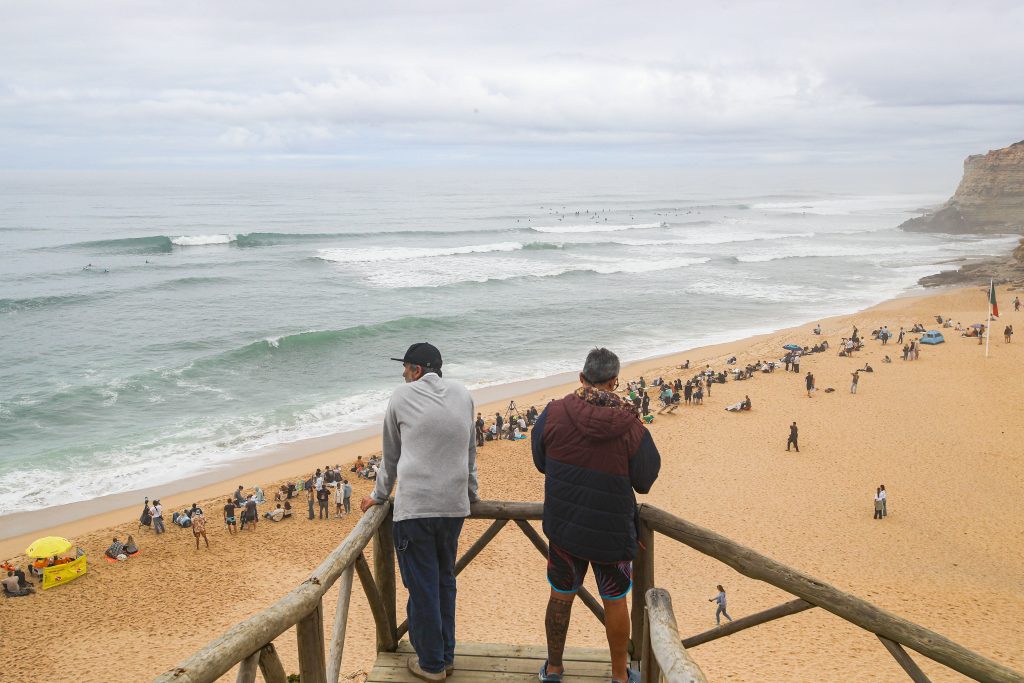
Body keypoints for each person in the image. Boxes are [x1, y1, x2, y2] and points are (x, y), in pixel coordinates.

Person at [532, 348, 660, 683]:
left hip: (565, 527)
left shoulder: (554, 412)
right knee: (615, 600)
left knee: (560, 596)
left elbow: (540, 460)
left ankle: (555, 669)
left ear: (581, 377)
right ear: (614, 382)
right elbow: (645, 480)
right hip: (612, 531)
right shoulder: (630, 426)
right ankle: (619, 675)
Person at [361, 342, 479, 682]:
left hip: (416, 510)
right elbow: (469, 450)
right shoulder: (462, 394)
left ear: (416, 370)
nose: (402, 374)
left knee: (423, 587)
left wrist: (379, 495)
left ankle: (431, 665)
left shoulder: (401, 396)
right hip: (454, 508)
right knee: (445, 582)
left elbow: (391, 456)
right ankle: (446, 656)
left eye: (406, 368)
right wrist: (471, 493)